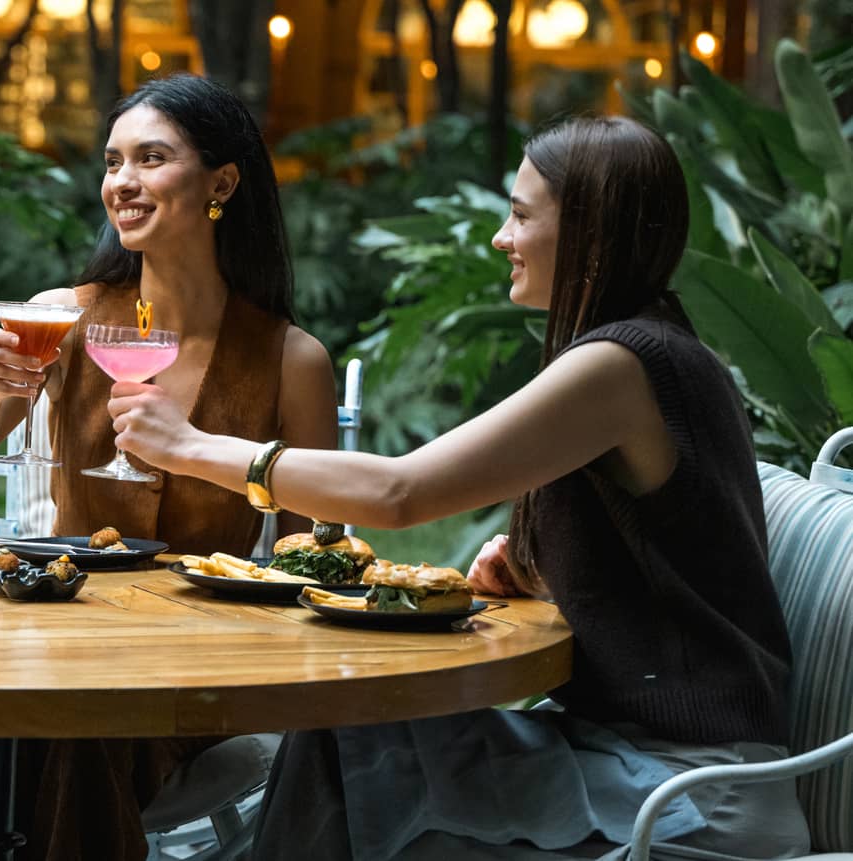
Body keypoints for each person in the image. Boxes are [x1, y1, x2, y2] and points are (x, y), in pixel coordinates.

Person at [105, 115, 813, 859]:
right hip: (623, 757)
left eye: (520, 216)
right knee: (346, 740)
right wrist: (542, 577)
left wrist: (195, 447)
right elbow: (677, 558)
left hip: (687, 796)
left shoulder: (626, 361)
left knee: (353, 769)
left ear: (591, 236)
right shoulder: (650, 348)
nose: (502, 239)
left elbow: (402, 491)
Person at [0, 74, 339, 860]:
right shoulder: (65, 314)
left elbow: (313, 546)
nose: (122, 182)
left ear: (221, 182)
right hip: (58, 625)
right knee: (70, 711)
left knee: (67, 723)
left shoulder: (291, 359)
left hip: (199, 654)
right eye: (114, 161)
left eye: (151, 159)